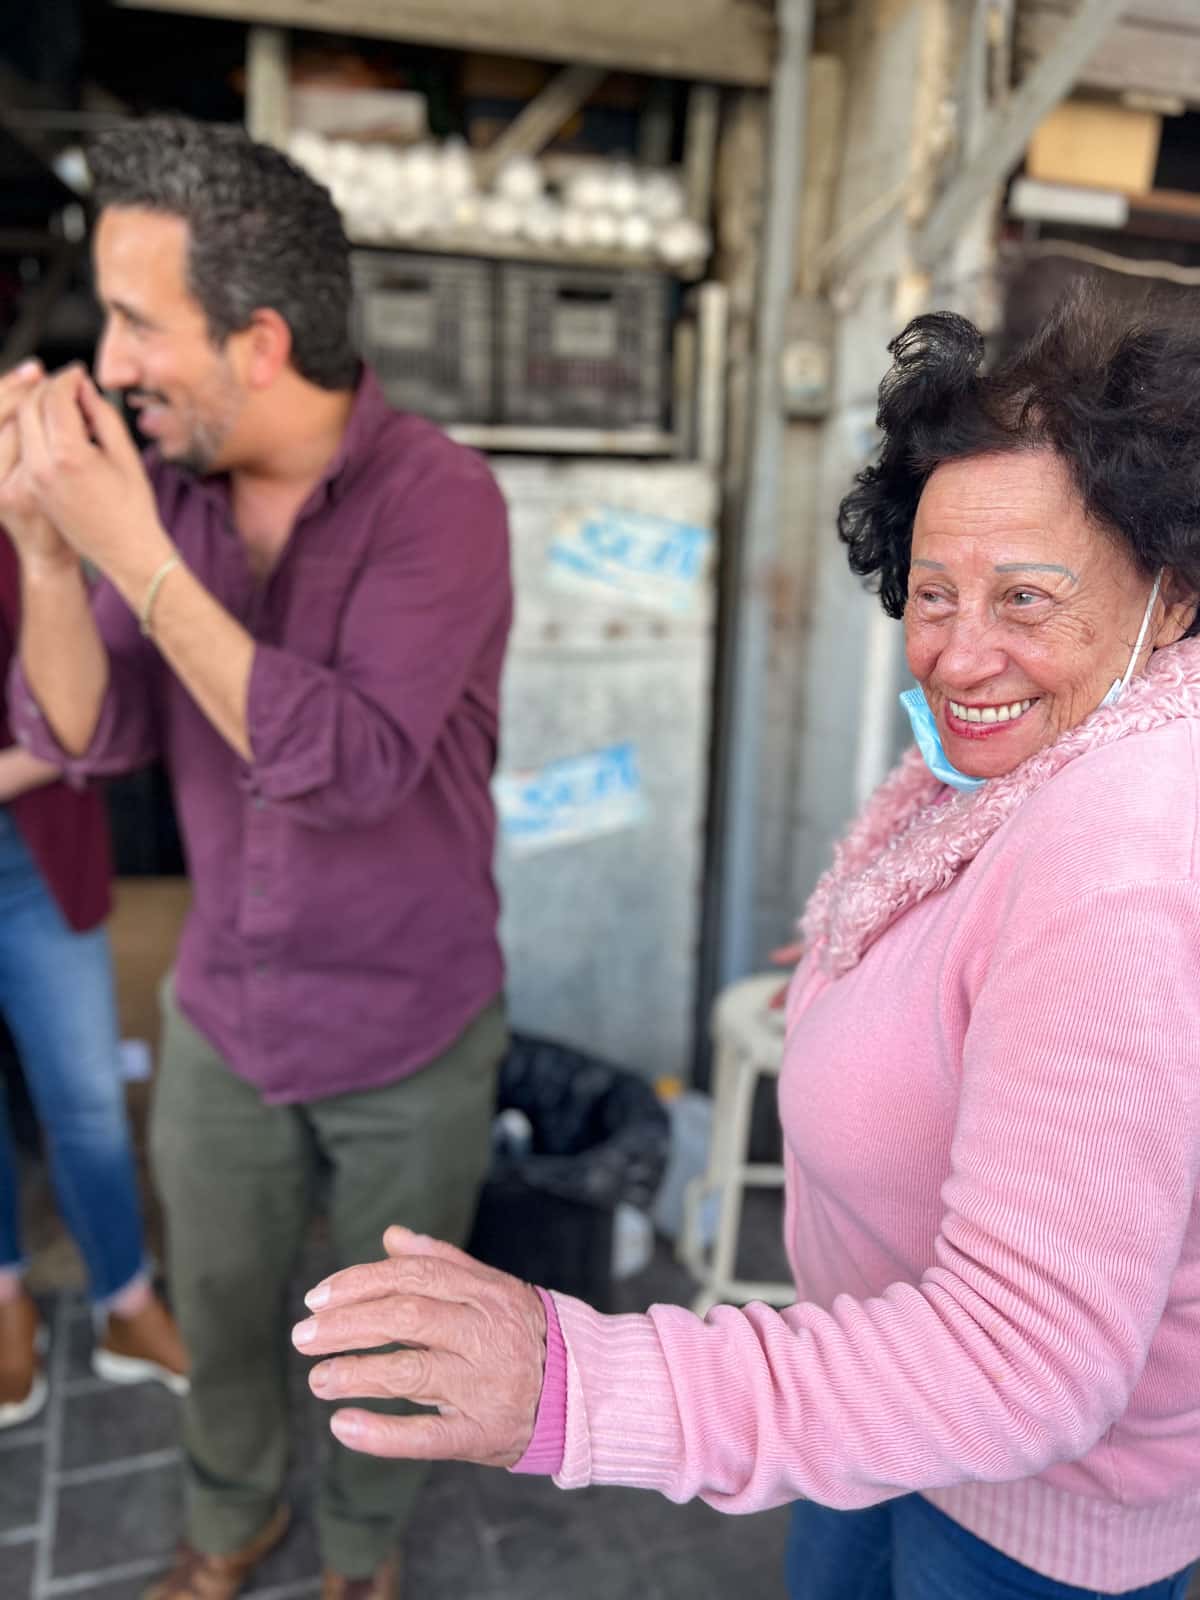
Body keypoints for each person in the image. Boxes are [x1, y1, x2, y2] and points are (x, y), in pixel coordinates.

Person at [290, 289, 1200, 1600]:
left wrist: (572, 1383)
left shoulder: (1124, 864)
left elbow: (1024, 1366)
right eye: (932, 591)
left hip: (1027, 1527)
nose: (960, 651)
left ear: (1168, 599)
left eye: (1027, 597)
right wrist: (865, 986)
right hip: (892, 1438)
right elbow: (978, 946)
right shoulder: (1028, 764)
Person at [0, 114, 511, 1600]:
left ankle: (360, 1550)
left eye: (142, 323)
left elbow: (342, 766)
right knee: (222, 1316)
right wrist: (49, 552)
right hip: (229, 1015)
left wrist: (131, 555)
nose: (111, 362)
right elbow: (84, 735)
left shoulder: (442, 503)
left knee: (396, 1341)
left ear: (263, 340)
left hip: (410, 1024)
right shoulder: (167, 497)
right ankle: (232, 1525)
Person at [0, 530, 188, 1428]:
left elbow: (90, 723)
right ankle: (5, 1303)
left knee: (87, 1101)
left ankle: (126, 1303)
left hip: (34, 859)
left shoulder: (35, 538)